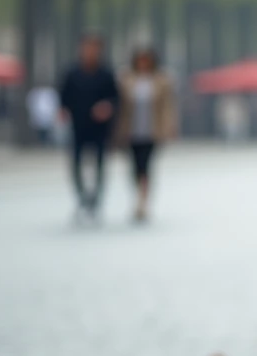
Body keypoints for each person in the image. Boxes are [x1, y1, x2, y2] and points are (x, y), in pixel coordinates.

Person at [59, 34, 119, 220]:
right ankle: (82, 197)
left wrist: (107, 107)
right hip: (78, 126)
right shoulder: (72, 73)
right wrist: (63, 111)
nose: (90, 52)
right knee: (75, 164)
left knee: (100, 164)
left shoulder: (106, 74)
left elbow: (115, 98)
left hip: (100, 128)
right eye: (87, 48)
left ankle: (96, 199)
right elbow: (63, 97)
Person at [116, 46, 177, 223]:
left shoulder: (162, 80)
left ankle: (143, 200)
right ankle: (137, 195)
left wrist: (170, 126)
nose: (143, 63)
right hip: (131, 130)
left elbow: (168, 106)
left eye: (147, 59)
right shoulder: (126, 79)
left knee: (146, 165)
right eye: (140, 59)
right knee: (135, 166)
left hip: (152, 131)